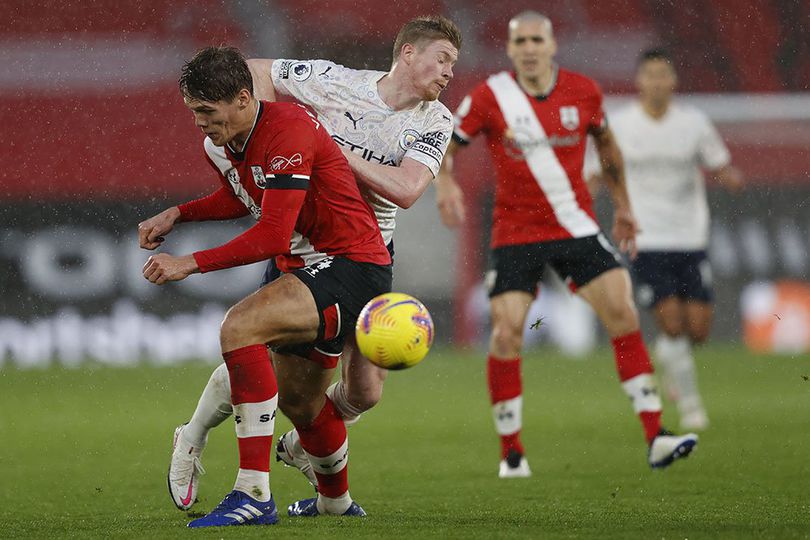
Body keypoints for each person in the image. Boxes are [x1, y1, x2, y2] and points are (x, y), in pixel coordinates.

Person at [163, 16, 461, 512]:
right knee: (250, 336)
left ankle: (302, 452)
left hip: (363, 250)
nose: (450, 72)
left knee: (360, 394)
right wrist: (270, 140)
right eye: (443, 58)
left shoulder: (436, 121)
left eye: (454, 63)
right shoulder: (334, 80)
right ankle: (229, 463)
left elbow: (407, 190)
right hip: (301, 243)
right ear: (408, 53)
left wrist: (318, 149)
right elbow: (253, 71)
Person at [435, 11, 698, 478]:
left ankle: (656, 436)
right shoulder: (491, 96)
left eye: (538, 39)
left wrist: (623, 207)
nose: (530, 48)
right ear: (511, 49)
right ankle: (512, 453)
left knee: (623, 312)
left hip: (575, 225)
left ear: (552, 45)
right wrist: (445, 184)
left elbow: (609, 149)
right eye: (521, 42)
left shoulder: (584, 90)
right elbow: (445, 146)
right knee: (506, 333)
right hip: (515, 233)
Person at [139, 46, 393, 526]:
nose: (199, 123)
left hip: (352, 265)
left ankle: (252, 493)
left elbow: (272, 233)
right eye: (193, 112)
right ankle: (335, 503)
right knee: (301, 401)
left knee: (240, 328)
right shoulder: (222, 142)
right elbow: (245, 194)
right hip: (310, 267)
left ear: (242, 98)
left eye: (207, 112)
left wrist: (188, 264)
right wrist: (179, 213)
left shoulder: (288, 130)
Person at [593, 48, 743, 430]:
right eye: (650, 74)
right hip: (645, 238)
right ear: (639, 81)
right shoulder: (621, 125)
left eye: (664, 74)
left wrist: (731, 178)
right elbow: (599, 169)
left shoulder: (694, 123)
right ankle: (692, 407)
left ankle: (670, 359)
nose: (657, 81)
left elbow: (720, 164)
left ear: (673, 81)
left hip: (690, 236)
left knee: (698, 330)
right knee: (672, 323)